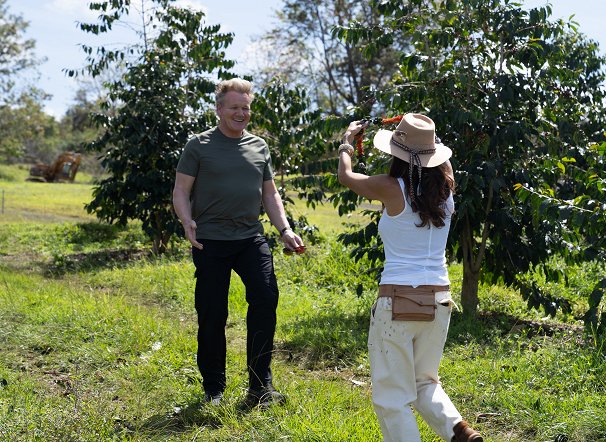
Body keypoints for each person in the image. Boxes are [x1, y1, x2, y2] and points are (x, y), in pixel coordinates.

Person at [337, 114, 483, 442]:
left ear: (397, 155)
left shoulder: (390, 188)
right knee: (424, 382)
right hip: (439, 298)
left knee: (391, 398)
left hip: (397, 300)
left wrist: (348, 140)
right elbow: (439, 158)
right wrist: (422, 138)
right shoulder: (447, 189)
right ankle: (460, 433)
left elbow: (345, 176)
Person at [173, 77, 305, 409]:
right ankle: (214, 388)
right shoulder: (199, 145)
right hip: (210, 241)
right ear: (219, 109)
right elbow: (181, 191)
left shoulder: (259, 146)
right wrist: (187, 220)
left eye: (245, 108)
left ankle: (260, 386)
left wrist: (285, 230)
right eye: (234, 107)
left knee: (265, 298)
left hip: (250, 237)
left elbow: (270, 193)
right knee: (212, 313)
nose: (241, 113)